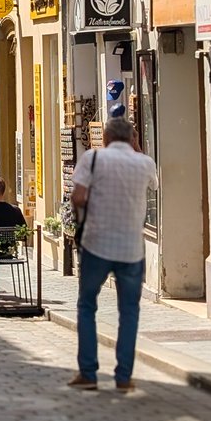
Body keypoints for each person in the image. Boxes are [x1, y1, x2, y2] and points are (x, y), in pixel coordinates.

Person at [68, 116, 158, 392]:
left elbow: (78, 197)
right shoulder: (145, 163)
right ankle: (123, 377)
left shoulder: (93, 159)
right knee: (129, 311)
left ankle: (89, 373)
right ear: (132, 139)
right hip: (131, 248)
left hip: (97, 244)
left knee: (87, 306)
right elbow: (153, 186)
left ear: (105, 138)